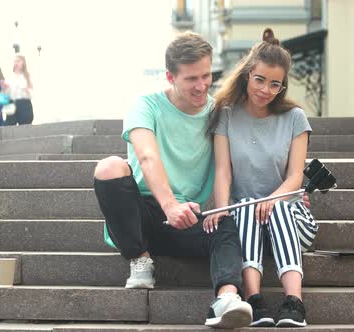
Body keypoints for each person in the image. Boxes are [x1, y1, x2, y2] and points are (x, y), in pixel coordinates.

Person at [93, 32, 252, 329]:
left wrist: (283, 190)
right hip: (139, 216)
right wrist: (169, 206)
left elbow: (236, 164)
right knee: (109, 167)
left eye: (206, 76)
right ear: (170, 76)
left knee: (223, 221)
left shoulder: (218, 112)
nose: (202, 85)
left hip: (186, 217)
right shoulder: (145, 105)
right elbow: (147, 156)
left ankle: (227, 299)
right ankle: (140, 258)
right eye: (192, 78)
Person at [206, 28, 318, 328]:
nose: (265, 89)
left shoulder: (295, 118)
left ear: (282, 87)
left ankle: (294, 302)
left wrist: (272, 198)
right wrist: (224, 209)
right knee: (243, 205)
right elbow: (223, 171)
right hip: (247, 227)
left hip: (292, 220)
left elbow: (296, 175)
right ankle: (254, 301)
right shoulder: (227, 115)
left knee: (277, 206)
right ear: (247, 75)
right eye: (260, 80)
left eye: (274, 84)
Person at [3, 54, 34, 125]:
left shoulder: (27, 76)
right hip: (11, 104)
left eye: (18, 61)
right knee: (10, 128)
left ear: (23, 63)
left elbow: (32, 94)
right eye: (15, 61)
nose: (16, 63)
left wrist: (27, 89)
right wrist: (4, 89)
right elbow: (5, 95)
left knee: (25, 128)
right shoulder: (9, 77)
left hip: (24, 104)